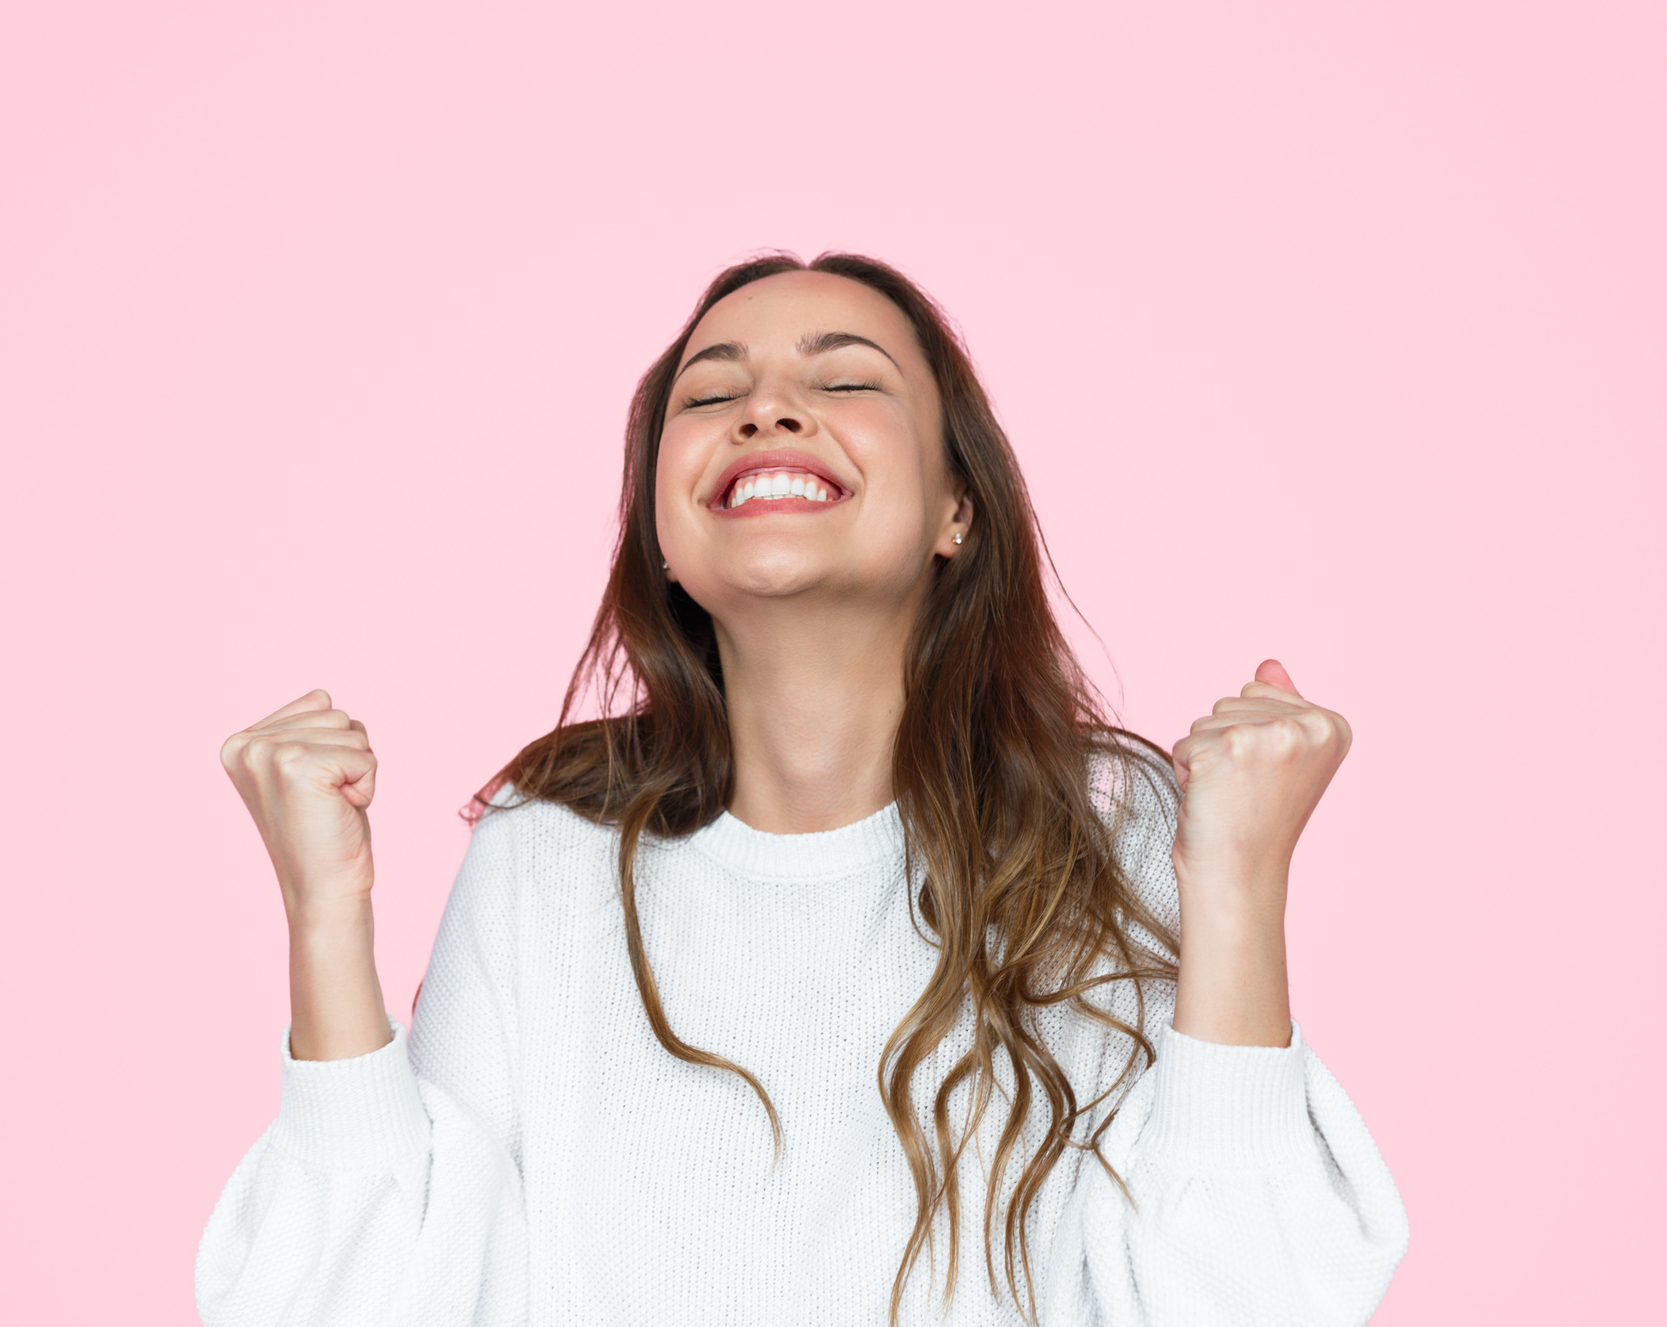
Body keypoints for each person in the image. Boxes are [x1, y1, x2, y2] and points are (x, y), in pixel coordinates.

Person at [194, 253, 1408, 1326]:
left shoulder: (1109, 833)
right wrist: (326, 909)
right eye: (711, 394)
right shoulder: (549, 852)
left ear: (955, 509)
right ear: (664, 534)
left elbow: (1249, 1303)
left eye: (845, 381)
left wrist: (1240, 883)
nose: (766, 408)